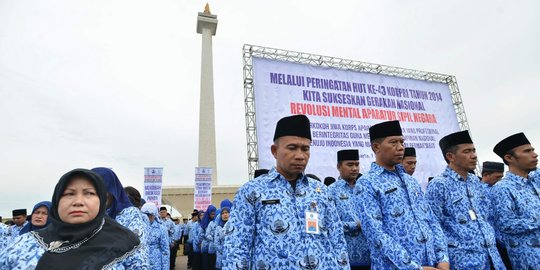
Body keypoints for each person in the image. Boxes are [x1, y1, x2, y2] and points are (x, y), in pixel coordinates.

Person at [223, 114, 349, 269]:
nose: (300, 156)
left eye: (305, 149)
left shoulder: (321, 191)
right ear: (274, 151)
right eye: (292, 148)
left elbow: (337, 241)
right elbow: (236, 247)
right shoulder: (252, 192)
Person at [0, 168, 148, 269]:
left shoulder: (127, 245)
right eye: (69, 193)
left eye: (89, 193)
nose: (78, 201)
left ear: (101, 200)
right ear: (57, 201)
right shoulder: (23, 245)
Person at [355, 120, 449, 270]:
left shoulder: (410, 181)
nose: (400, 148)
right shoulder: (367, 183)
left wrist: (443, 258)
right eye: (393, 142)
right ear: (376, 147)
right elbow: (376, 234)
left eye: (401, 142)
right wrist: (413, 267)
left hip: (433, 265)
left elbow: (431, 220)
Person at [425, 130, 505, 269]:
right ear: (451, 156)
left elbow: (486, 217)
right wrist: (441, 259)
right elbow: (432, 224)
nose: (474, 156)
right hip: (463, 261)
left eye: (474, 150)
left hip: (492, 258)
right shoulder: (439, 184)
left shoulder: (475, 181)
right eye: (467, 151)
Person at [491, 132, 540, 269]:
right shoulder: (503, 188)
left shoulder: (536, 180)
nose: (534, 154)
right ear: (509, 158)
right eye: (527, 151)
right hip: (530, 259)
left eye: (533, 150)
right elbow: (506, 223)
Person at [328, 149, 370, 269]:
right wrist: (355, 225)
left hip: (370, 256)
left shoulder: (366, 189)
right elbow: (329, 224)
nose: (355, 168)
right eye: (350, 165)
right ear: (338, 166)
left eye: (357, 164)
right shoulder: (331, 191)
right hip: (344, 256)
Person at [91, 168, 148, 247]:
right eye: (92, 192)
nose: (100, 196)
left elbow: (137, 250)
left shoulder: (130, 215)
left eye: (104, 190)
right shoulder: (88, 215)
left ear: (113, 190)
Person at [141, 202, 170, 270]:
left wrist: (165, 268)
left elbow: (165, 251)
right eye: (146, 214)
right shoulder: (138, 226)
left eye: (151, 214)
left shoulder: (161, 228)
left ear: (155, 215)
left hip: (155, 265)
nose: (148, 217)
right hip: (141, 264)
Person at [214, 199, 232, 270]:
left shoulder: (234, 227)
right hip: (221, 256)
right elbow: (216, 243)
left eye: (227, 212)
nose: (225, 214)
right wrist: (224, 251)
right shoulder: (218, 228)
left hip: (231, 256)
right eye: (223, 213)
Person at [203, 206, 219, 270]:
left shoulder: (222, 223)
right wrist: (214, 239)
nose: (214, 216)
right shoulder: (209, 223)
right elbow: (206, 234)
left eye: (215, 214)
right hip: (209, 247)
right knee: (210, 264)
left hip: (218, 249)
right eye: (212, 214)